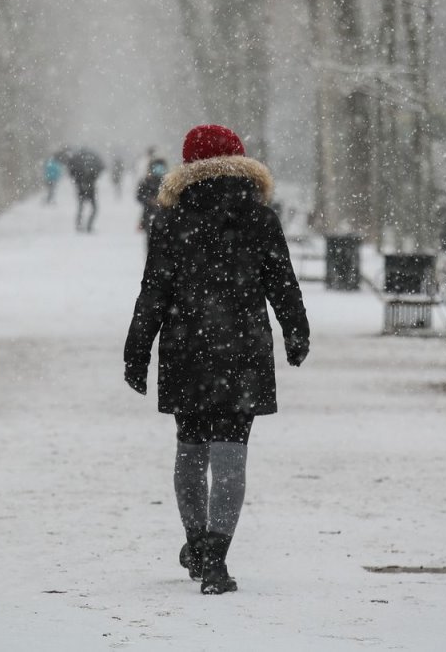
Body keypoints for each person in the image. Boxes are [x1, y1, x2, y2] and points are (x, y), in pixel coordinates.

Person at [123, 124, 310, 595]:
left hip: (187, 346)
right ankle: (216, 558)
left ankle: (196, 542)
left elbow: (155, 290)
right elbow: (282, 282)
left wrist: (137, 350)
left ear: (187, 166)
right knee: (231, 452)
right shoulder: (260, 217)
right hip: (242, 349)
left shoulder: (170, 219)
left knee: (190, 447)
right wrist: (296, 330)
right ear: (242, 162)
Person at [63, 148, 104, 232]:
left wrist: (78, 180)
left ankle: (80, 225)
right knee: (92, 208)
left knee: (82, 208)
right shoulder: (93, 165)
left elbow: (71, 173)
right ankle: (88, 226)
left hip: (82, 189)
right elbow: (98, 172)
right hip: (89, 189)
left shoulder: (77, 165)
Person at [135, 157, 167, 234]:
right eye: (157, 167)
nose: (159, 170)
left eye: (161, 168)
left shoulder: (167, 181)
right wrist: (149, 200)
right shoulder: (146, 181)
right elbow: (139, 196)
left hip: (165, 217)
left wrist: (164, 201)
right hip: (149, 216)